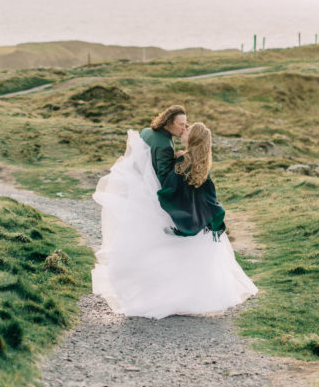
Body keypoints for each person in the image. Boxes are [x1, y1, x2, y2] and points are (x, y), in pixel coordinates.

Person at [91, 106, 258, 319]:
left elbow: (169, 186)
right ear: (168, 121)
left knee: (177, 258)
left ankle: (176, 299)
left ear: (193, 140)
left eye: (188, 129)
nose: (185, 129)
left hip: (185, 218)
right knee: (194, 261)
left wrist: (178, 160)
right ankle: (195, 298)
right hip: (199, 221)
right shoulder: (199, 160)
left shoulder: (182, 160)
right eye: (183, 124)